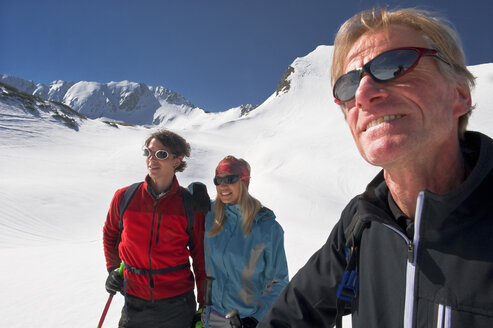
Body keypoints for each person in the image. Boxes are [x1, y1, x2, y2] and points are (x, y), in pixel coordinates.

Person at [259, 7, 493, 328]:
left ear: (459, 95)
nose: (364, 94)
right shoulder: (361, 222)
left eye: (394, 66)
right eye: (348, 86)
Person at [103, 129, 207, 328]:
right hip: (134, 301)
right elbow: (110, 233)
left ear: (177, 160)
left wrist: (203, 304)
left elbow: (200, 256)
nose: (152, 159)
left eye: (161, 154)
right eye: (148, 153)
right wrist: (112, 269)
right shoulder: (124, 197)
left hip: (177, 304)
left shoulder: (189, 204)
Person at [202, 155, 289, 327]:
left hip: (245, 320)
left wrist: (256, 318)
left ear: (244, 181)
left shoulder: (267, 228)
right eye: (218, 180)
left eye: (230, 179)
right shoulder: (209, 215)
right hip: (211, 317)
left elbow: (279, 281)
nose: (223, 185)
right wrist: (193, 191)